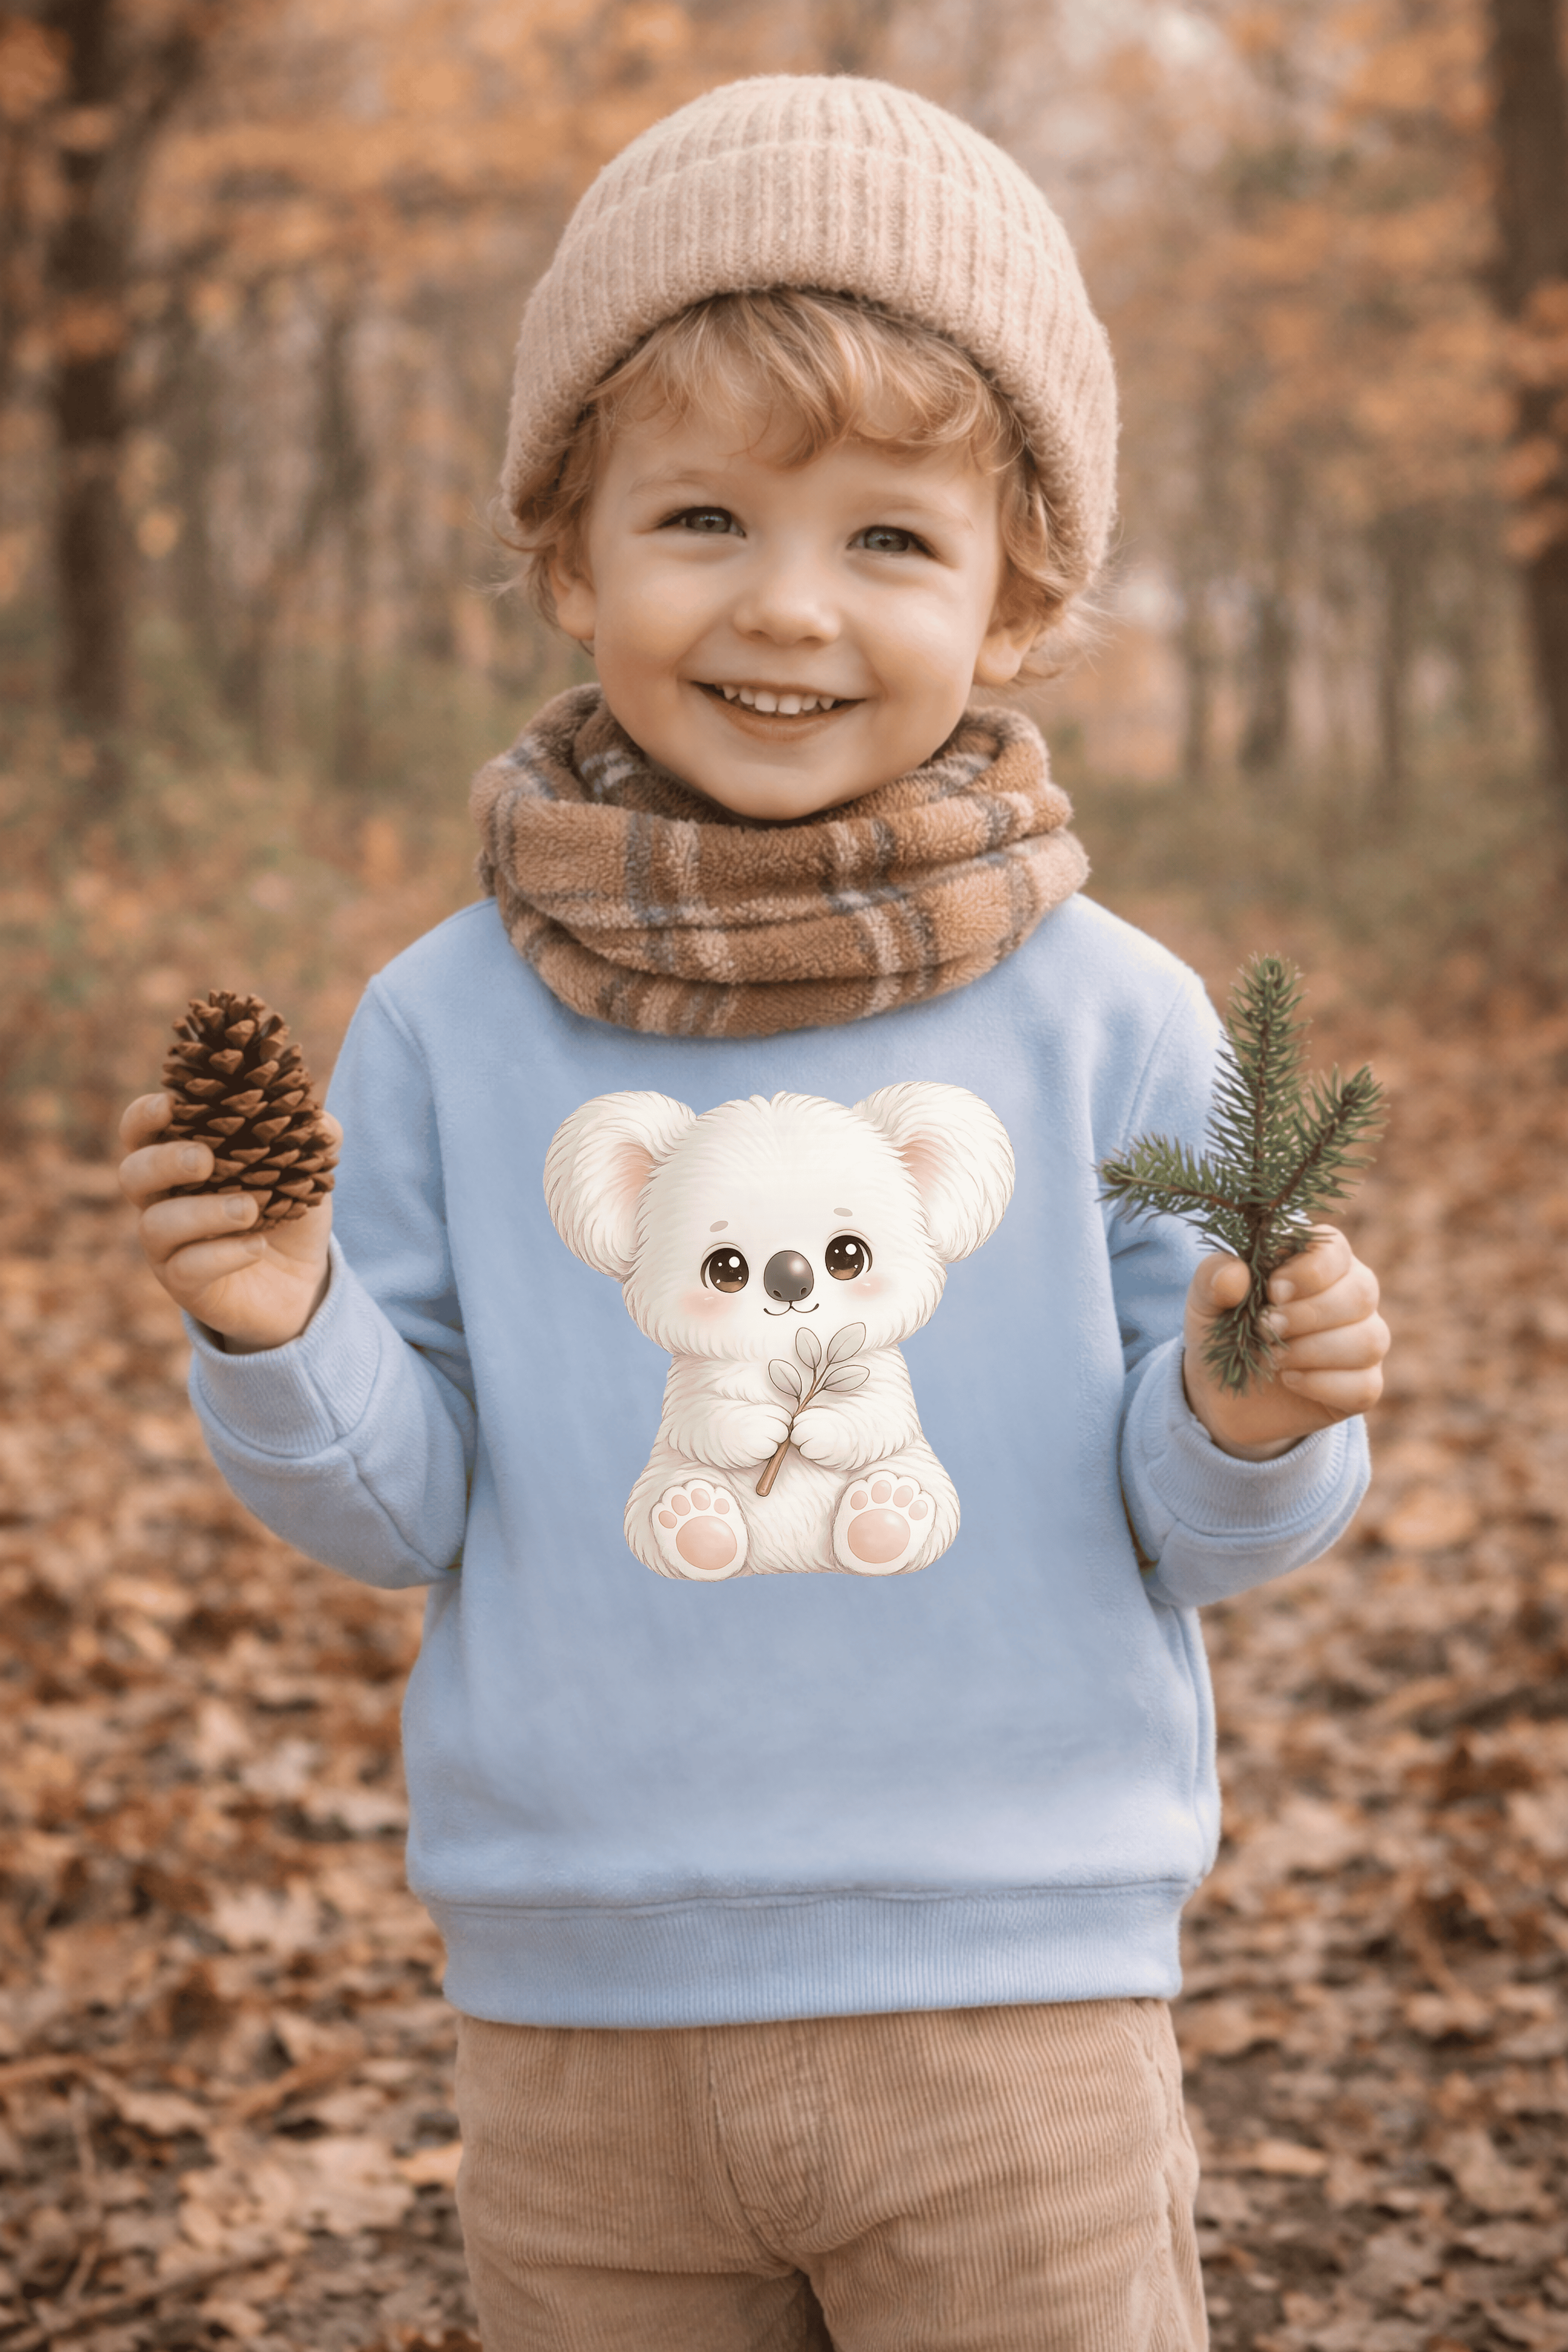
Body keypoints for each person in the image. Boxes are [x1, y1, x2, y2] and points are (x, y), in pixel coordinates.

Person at [117, 76, 1389, 2352]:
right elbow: (405, 1512)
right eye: (702, 515)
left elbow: (1204, 1530)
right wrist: (280, 1323)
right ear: (570, 556)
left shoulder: (1113, 1019)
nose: (788, 604)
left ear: (1018, 600)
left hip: (1017, 2009)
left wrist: (1253, 1412)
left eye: (892, 538)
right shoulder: (444, 1024)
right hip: (579, 2029)